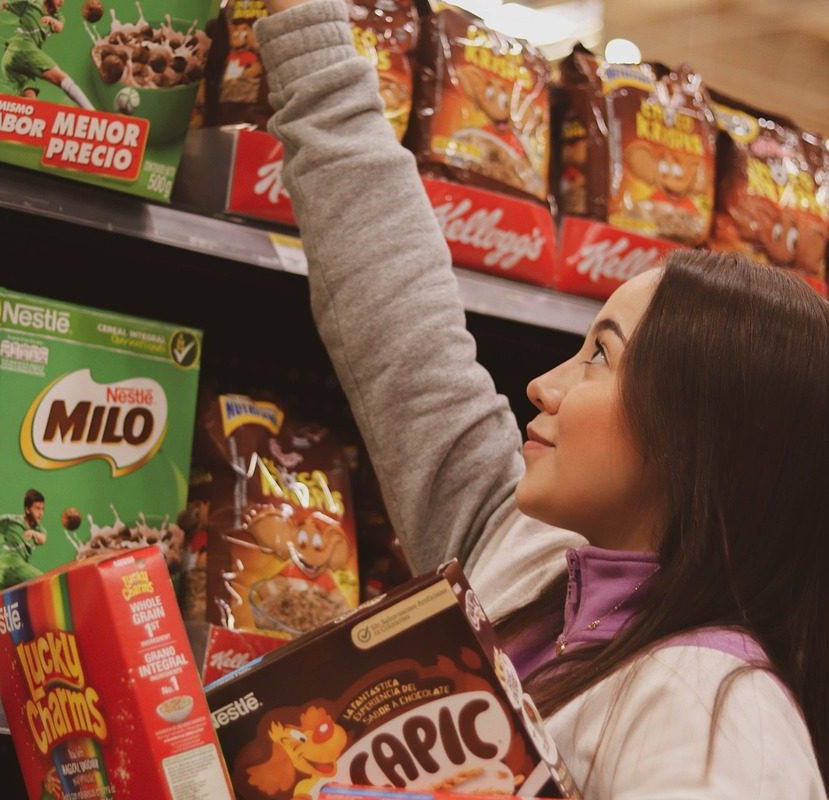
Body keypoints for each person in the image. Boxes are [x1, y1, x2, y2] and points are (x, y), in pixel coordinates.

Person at [253, 0, 829, 795]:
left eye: (599, 355)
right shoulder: (521, 559)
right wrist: (309, 39)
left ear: (698, 433)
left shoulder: (712, 707)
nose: (542, 384)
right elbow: (400, 327)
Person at [0, 0, 94, 110]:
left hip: (10, 63)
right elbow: (0, 4)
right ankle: (92, 112)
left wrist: (51, 21)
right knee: (62, 78)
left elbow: (59, 27)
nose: (62, 2)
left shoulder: (58, 16)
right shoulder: (31, 4)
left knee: (30, 103)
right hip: (22, 48)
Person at [0, 487, 48, 590]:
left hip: (4, 579)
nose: (41, 513)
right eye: (37, 508)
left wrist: (32, 532)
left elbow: (43, 539)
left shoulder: (39, 529)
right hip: (9, 566)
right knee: (46, 582)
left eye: (42, 509)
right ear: (27, 509)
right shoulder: (11, 520)